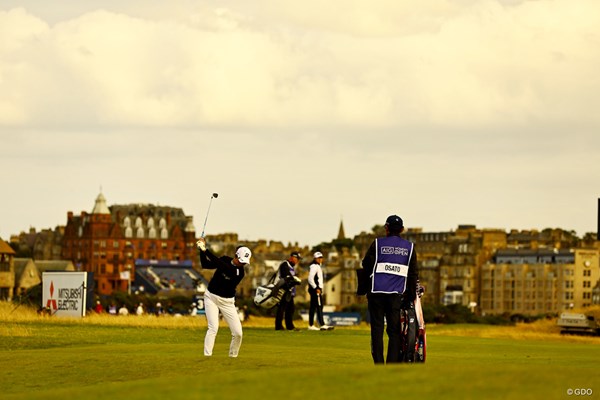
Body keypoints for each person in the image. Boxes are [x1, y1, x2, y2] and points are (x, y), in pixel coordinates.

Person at [358, 215, 418, 364]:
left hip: (376, 293)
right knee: (394, 331)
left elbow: (366, 265)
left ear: (386, 228)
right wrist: (410, 296)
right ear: (402, 230)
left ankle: (378, 363)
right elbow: (413, 274)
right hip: (396, 295)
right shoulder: (409, 248)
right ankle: (391, 364)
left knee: (377, 330)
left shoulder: (377, 244)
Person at [197, 237, 251, 358]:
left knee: (238, 333)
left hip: (227, 302)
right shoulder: (225, 259)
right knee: (213, 328)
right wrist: (201, 249)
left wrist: (205, 249)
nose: (242, 263)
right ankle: (207, 356)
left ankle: (233, 356)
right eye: (241, 260)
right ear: (236, 256)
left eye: (244, 262)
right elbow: (205, 264)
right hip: (211, 297)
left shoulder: (239, 272)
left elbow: (222, 266)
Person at [275, 251, 302, 331]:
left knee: (290, 308)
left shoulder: (291, 267)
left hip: (288, 291)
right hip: (282, 289)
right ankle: (279, 326)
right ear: (292, 257)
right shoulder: (285, 264)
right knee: (282, 308)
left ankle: (289, 326)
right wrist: (295, 280)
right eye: (297, 258)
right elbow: (286, 277)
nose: (297, 261)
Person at [307, 252, 331, 331]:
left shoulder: (317, 266)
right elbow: (310, 279)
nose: (320, 259)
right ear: (315, 259)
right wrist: (316, 288)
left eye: (321, 257)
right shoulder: (314, 266)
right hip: (315, 290)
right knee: (319, 306)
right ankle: (322, 324)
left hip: (316, 289)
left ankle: (311, 325)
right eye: (319, 258)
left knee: (313, 307)